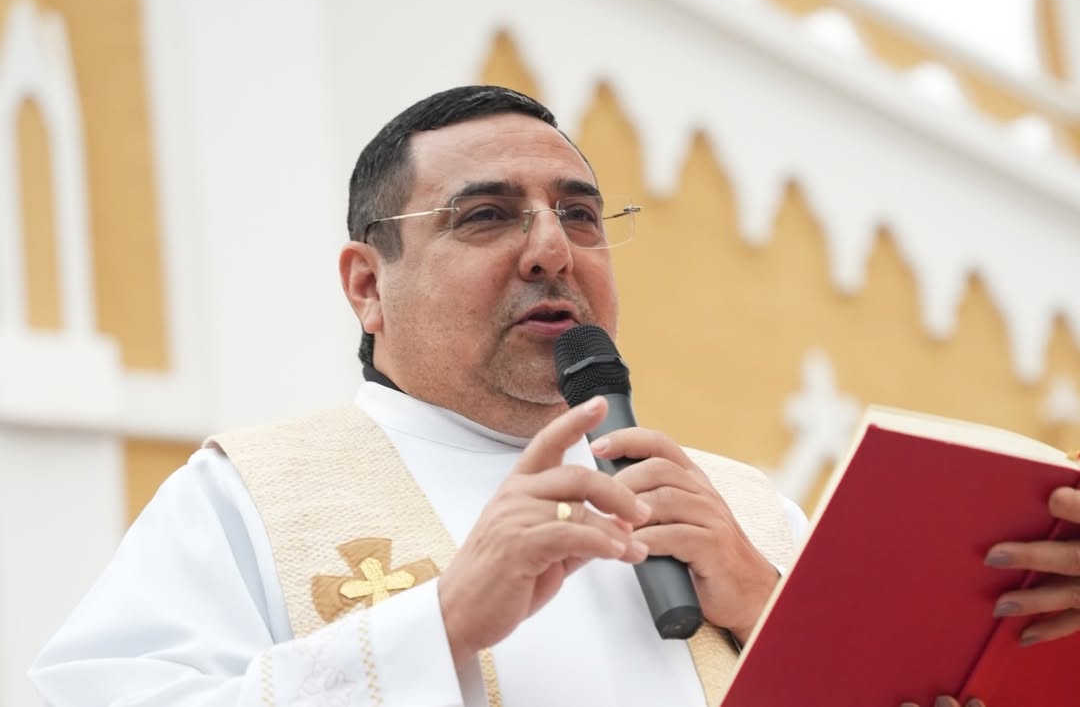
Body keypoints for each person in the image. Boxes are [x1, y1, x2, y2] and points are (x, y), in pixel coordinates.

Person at [28, 86, 1080, 707]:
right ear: (366, 286)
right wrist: (432, 626)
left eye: (581, 216)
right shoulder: (250, 495)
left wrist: (769, 605)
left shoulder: (751, 510)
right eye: (485, 215)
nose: (550, 250)